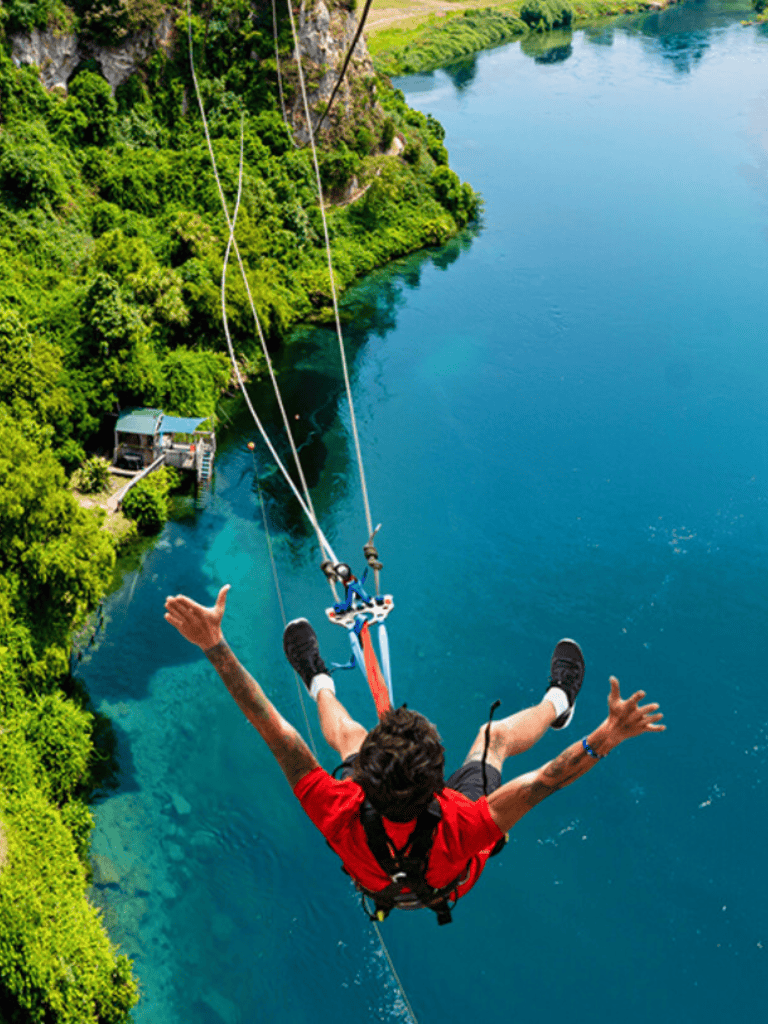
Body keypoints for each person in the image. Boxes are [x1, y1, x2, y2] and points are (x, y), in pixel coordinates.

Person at [164, 585, 665, 924]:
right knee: (492, 738)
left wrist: (214, 644)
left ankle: (317, 678)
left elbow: (277, 730)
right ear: (440, 783)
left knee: (351, 735)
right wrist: (607, 733)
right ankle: (560, 702)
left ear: (365, 783)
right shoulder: (465, 821)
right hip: (446, 878)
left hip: (383, 881)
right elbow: (545, 781)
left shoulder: (338, 808)